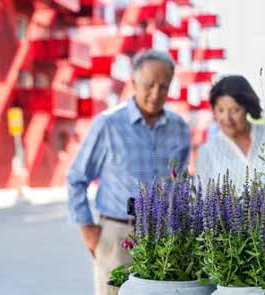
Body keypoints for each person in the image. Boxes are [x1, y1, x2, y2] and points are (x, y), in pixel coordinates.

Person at [67, 50, 190, 295]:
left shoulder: (179, 128)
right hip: (118, 234)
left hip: (165, 235)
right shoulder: (108, 123)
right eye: (149, 84)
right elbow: (76, 178)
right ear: (134, 83)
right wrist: (87, 230)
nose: (156, 93)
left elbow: (182, 184)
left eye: (163, 86)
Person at [196, 75, 265, 190]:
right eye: (220, 110)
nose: (227, 118)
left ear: (248, 107)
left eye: (235, 110)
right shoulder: (207, 152)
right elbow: (201, 198)